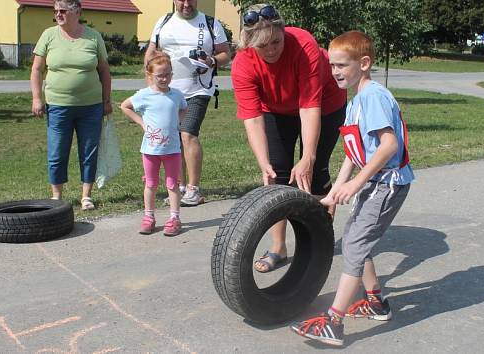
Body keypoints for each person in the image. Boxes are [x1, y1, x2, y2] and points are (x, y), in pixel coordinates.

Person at [289, 30, 415, 346]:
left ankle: (334, 321)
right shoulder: (357, 99)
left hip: (386, 184)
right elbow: (352, 150)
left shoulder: (372, 96)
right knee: (359, 238)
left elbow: (389, 145)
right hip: (374, 181)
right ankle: (375, 302)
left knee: (355, 245)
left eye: (342, 65)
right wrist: (337, 189)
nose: (335, 72)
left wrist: (357, 182)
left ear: (364, 63)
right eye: (332, 65)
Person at [231, 4, 347, 273]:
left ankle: (318, 245)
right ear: (249, 44)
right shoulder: (242, 64)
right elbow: (252, 117)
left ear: (284, 32)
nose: (271, 49)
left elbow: (309, 104)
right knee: (278, 174)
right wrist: (263, 163)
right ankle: (279, 248)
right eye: (263, 46)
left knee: (314, 172)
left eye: (276, 41)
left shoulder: (303, 43)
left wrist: (308, 156)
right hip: (276, 109)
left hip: (325, 104)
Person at [144, 0, 231, 207]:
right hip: (168, 91)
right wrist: (150, 80)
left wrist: (210, 61)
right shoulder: (163, 22)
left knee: (188, 134)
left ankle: (193, 188)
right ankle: (179, 186)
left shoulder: (210, 23)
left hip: (198, 89)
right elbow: (151, 51)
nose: (186, 3)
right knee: (173, 138)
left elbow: (226, 54)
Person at [30, 0, 112, 210]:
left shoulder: (93, 36)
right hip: (58, 105)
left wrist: (106, 101)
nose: (58, 14)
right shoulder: (49, 35)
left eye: (63, 10)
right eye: (56, 11)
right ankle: (57, 196)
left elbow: (104, 71)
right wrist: (37, 98)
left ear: (77, 12)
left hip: (91, 106)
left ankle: (86, 196)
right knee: (57, 151)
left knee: (89, 151)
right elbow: (37, 70)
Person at [120, 53, 188, 236]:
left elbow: (184, 108)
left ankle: (174, 218)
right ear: (150, 75)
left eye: (168, 74)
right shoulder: (144, 95)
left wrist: (177, 123)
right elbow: (125, 106)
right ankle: (149, 216)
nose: (164, 78)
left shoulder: (176, 95)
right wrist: (142, 123)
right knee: (151, 183)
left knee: (173, 184)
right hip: (150, 150)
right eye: (160, 75)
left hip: (172, 149)